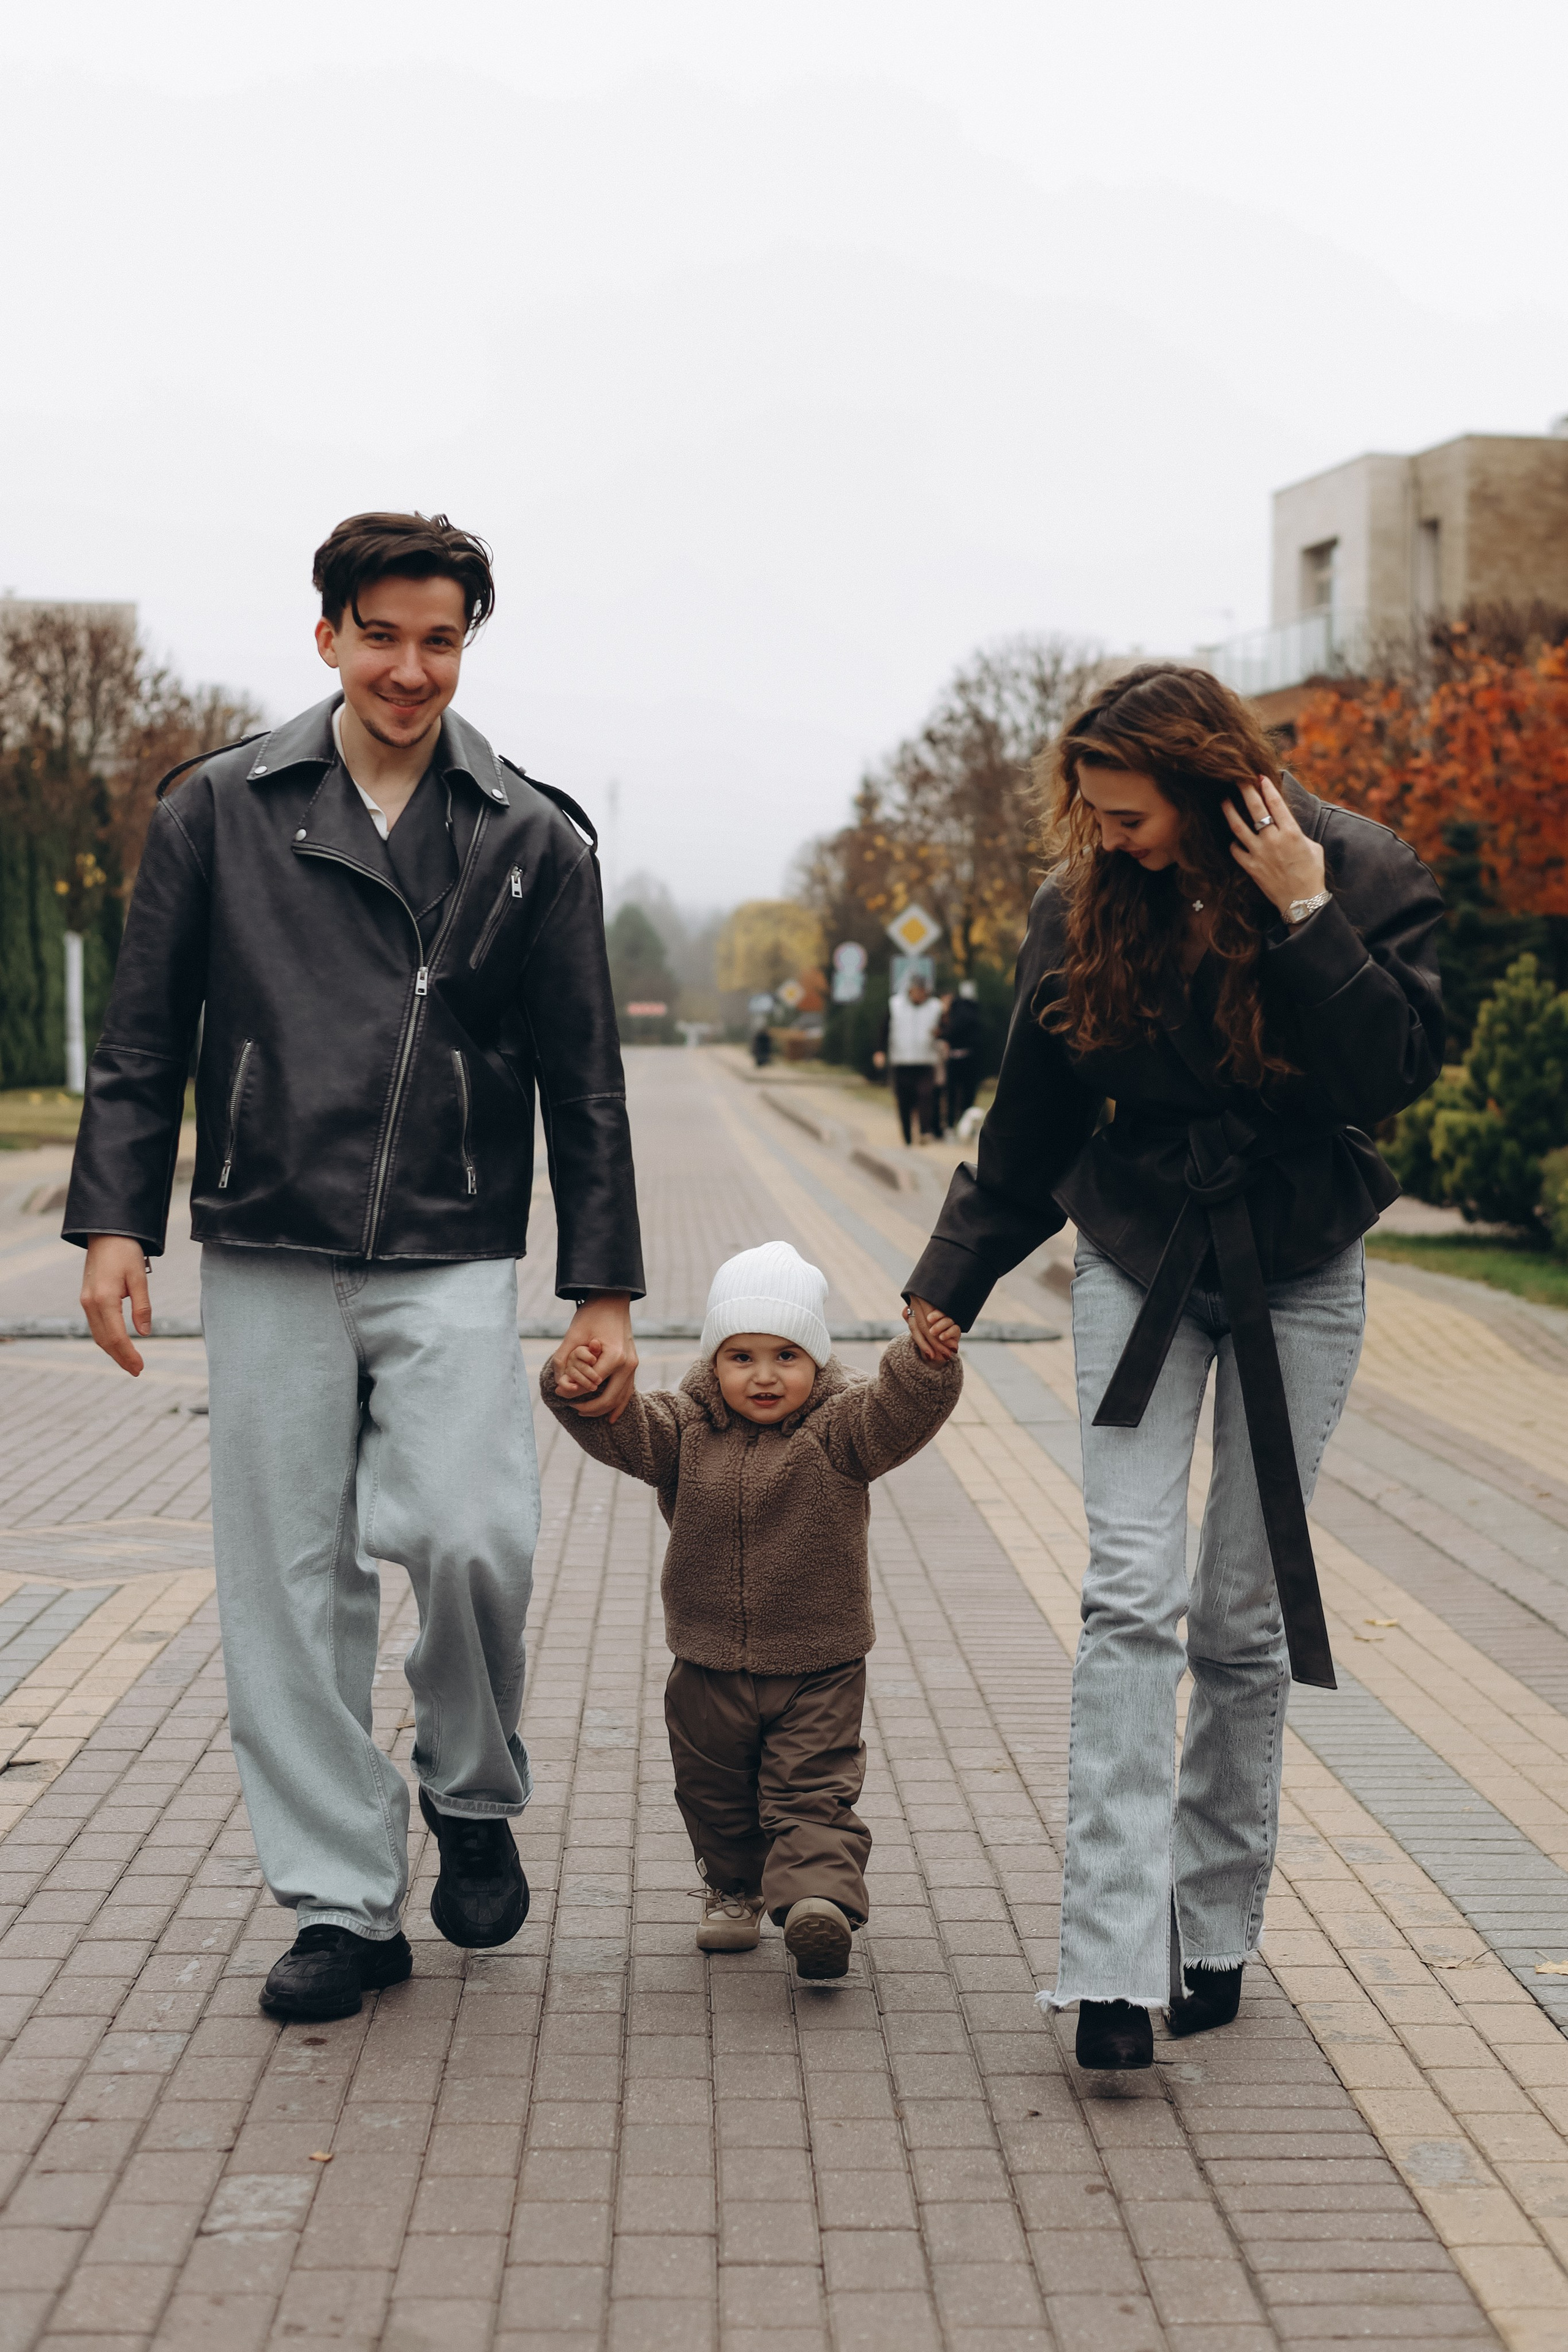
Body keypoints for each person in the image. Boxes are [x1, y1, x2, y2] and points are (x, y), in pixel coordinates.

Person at [64, 511, 645, 2023]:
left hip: (450, 1240)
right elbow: (142, 1036)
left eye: (438, 639)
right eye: (380, 634)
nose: (408, 666)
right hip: (264, 1230)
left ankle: (467, 1776)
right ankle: (340, 1898)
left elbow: (586, 1079)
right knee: (290, 1580)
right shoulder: (217, 810)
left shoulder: (529, 834)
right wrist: (113, 1220)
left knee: (470, 1533)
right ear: (326, 633)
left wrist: (604, 1289)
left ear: (466, 646)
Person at [903, 663, 1443, 2070]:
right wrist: (950, 1277)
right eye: (1091, 815)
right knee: (1128, 1596)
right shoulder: (1073, 905)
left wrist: (1304, 908)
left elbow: (1383, 1071)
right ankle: (1106, 1956)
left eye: (1129, 816)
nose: (1109, 840)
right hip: (1140, 1255)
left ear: (1208, 791)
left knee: (1236, 1619)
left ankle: (1210, 1929)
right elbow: (1031, 1110)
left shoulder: (1363, 868)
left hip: (1299, 1266)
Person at [543, 1240, 962, 1978]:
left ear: (817, 1361)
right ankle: (734, 1887)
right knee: (713, 1791)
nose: (764, 1376)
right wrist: (575, 1384)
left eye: (786, 1356)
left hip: (818, 1662)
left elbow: (900, 1411)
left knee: (813, 1788)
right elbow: (620, 1427)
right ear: (714, 1360)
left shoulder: (841, 1430)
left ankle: (815, 1905)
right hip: (704, 1662)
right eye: (741, 1357)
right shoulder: (683, 1428)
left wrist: (922, 1362)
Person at [873, 972, 944, 1144]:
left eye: (923, 991)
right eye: (916, 991)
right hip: (902, 1060)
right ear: (910, 991)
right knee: (904, 1100)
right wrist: (880, 1051)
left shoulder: (936, 1007)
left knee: (926, 1095)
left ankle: (925, 1130)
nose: (920, 995)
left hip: (926, 1060)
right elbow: (885, 1029)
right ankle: (907, 1136)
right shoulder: (895, 1005)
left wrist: (941, 1034)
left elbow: (946, 1028)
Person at [938, 982, 984, 1129]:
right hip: (962, 1058)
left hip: (962, 1058)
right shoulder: (970, 1012)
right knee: (961, 1095)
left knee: (954, 1094)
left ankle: (955, 1125)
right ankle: (956, 1124)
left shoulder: (958, 1013)